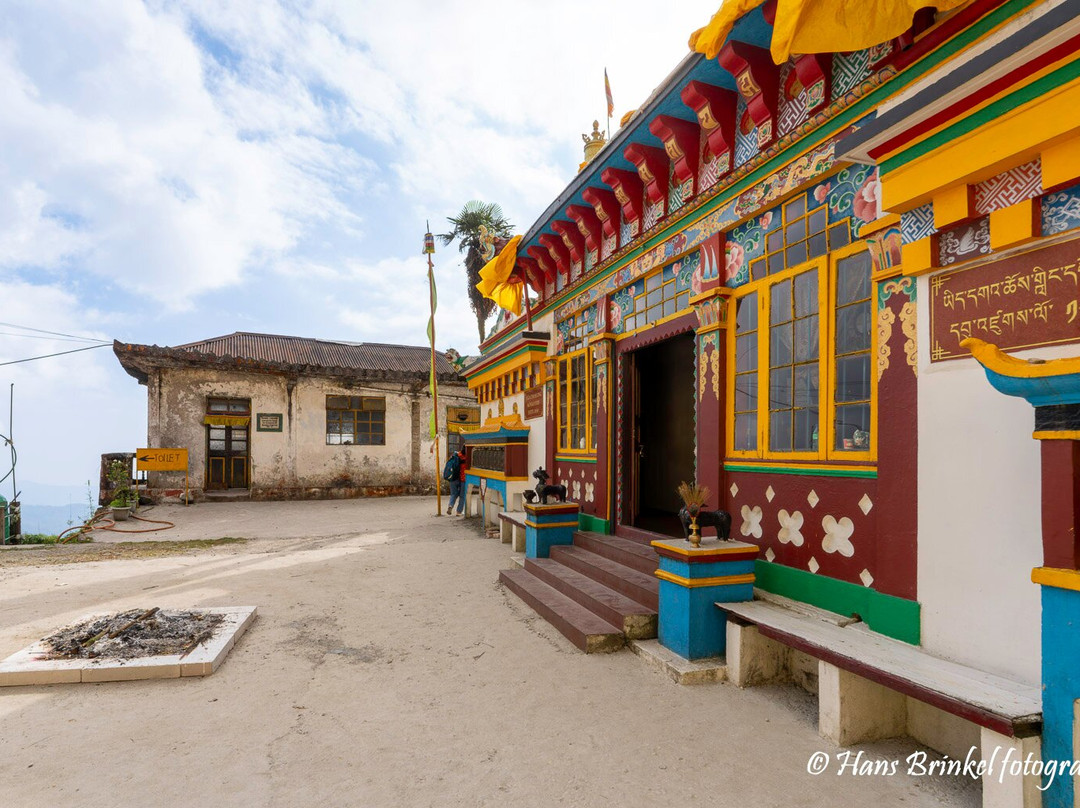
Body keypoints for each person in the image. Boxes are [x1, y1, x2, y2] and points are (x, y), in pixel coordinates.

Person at [445, 448, 467, 515]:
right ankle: (459, 511)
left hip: (453, 478)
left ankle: (450, 505)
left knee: (453, 494)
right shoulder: (467, 458)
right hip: (463, 479)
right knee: (462, 496)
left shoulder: (456, 455)